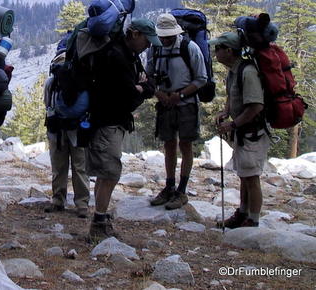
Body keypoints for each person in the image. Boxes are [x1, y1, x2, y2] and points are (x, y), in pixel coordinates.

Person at [84, 19, 158, 242]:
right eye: (146, 40)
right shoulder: (117, 56)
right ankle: (98, 223)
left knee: (106, 173)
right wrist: (140, 87)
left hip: (109, 122)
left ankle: (101, 218)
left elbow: (145, 87)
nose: (148, 46)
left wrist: (141, 87)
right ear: (134, 34)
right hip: (107, 123)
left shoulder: (126, 55)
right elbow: (130, 95)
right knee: (110, 172)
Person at [146, 14, 208, 210]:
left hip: (186, 103)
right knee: (169, 144)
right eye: (162, 36)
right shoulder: (155, 49)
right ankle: (170, 186)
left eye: (167, 36)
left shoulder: (189, 48)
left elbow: (201, 78)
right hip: (165, 104)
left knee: (186, 145)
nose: (165, 39)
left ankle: (182, 190)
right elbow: (147, 77)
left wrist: (179, 96)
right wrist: (158, 93)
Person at [211, 32, 269, 228]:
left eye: (218, 48)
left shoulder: (247, 72)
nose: (215, 52)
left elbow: (256, 106)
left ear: (229, 50)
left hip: (253, 133)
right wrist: (225, 112)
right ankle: (243, 213)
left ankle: (253, 220)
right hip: (244, 132)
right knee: (244, 174)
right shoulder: (233, 71)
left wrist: (232, 124)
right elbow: (232, 97)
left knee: (252, 177)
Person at [43, 42, 90, 218]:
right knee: (80, 167)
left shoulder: (52, 80)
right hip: (79, 128)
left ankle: (58, 199)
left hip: (57, 129)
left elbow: (47, 104)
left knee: (59, 166)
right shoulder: (82, 77)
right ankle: (82, 204)